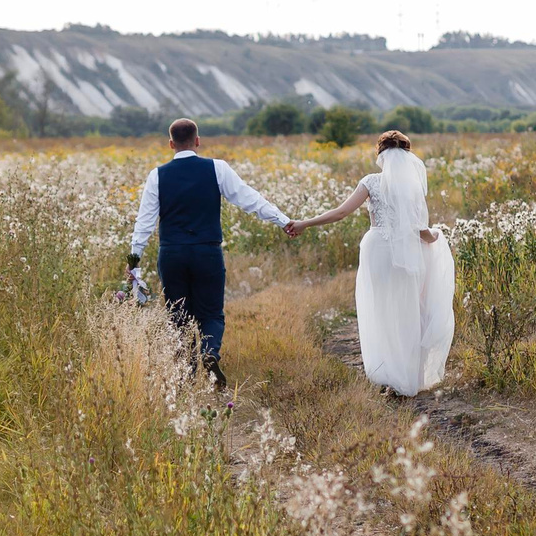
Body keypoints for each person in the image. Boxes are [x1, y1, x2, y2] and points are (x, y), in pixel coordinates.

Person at [286, 129, 455, 395]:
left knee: (382, 311)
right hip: (408, 253)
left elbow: (341, 212)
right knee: (407, 311)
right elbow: (422, 232)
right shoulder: (412, 187)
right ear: (407, 154)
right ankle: (408, 376)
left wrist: (306, 223)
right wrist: (437, 235)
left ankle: (390, 376)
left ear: (380, 153)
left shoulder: (371, 182)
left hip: (377, 252)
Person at [128, 117, 290, 387]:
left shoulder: (157, 175)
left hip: (172, 254)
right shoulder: (217, 168)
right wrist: (283, 220)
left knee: (177, 313)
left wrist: (133, 261)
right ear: (198, 141)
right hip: (207, 251)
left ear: (170, 144)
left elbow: (144, 222)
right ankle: (209, 352)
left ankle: (187, 372)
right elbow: (249, 198)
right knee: (211, 312)